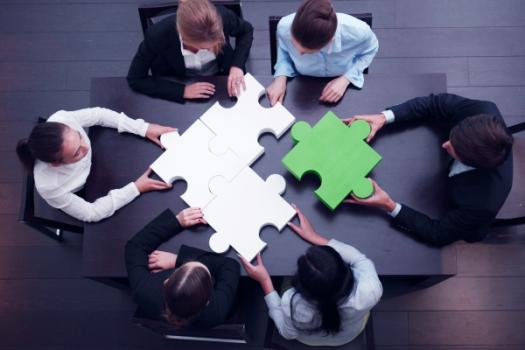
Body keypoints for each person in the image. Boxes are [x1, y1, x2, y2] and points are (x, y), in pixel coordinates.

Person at [344, 93, 514, 246]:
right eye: (452, 137)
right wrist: (384, 117)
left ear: (471, 162)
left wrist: (389, 205)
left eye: (455, 149)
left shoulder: (483, 204)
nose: (445, 144)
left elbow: (438, 234)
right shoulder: (483, 110)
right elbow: (434, 103)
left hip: (456, 210)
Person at [241, 205, 382, 346]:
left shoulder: (292, 304)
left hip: (310, 340)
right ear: (344, 270)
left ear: (301, 286)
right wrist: (314, 237)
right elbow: (359, 259)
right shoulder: (371, 289)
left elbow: (286, 332)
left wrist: (265, 280)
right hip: (349, 334)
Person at [16, 107, 175, 223]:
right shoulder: (49, 186)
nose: (85, 146)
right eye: (76, 152)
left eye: (79, 135)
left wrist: (143, 128)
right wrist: (136, 188)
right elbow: (91, 213)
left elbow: (99, 115)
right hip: (86, 188)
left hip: (103, 160)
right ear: (56, 164)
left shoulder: (62, 118)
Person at [125, 208, 240, 328]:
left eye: (184, 265)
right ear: (207, 301)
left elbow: (134, 247)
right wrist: (177, 259)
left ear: (167, 281)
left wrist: (177, 222)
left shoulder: (143, 291)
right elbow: (230, 265)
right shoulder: (217, 311)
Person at [127, 0, 254, 103]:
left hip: (222, 76)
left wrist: (236, 65)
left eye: (218, 40)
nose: (212, 50)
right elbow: (135, 78)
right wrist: (182, 91)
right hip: (178, 80)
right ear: (184, 36)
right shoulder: (157, 35)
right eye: (205, 48)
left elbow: (247, 31)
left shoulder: (223, 16)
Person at [266, 0, 378, 106]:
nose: (298, 53)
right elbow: (284, 49)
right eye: (294, 45)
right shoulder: (284, 27)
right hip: (301, 82)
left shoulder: (360, 32)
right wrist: (280, 78)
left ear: (330, 42)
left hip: (344, 80)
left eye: (307, 52)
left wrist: (347, 78)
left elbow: (371, 49)